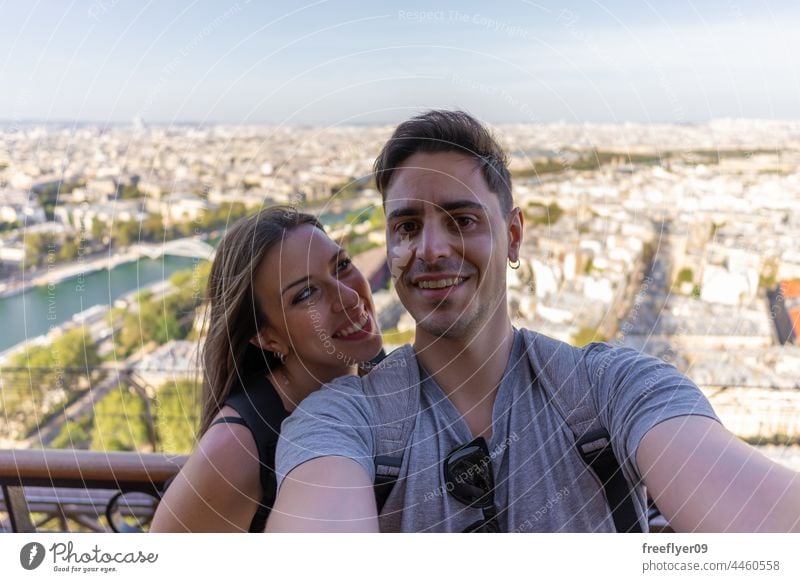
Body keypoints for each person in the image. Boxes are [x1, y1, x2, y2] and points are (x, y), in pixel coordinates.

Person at [266, 110, 800, 533]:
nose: (430, 249)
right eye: (407, 226)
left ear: (514, 234)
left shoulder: (615, 389)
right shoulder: (339, 421)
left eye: (463, 219)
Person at [150, 206, 383, 532]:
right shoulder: (234, 449)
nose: (348, 296)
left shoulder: (378, 370)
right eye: (306, 293)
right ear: (266, 338)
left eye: (341, 266)